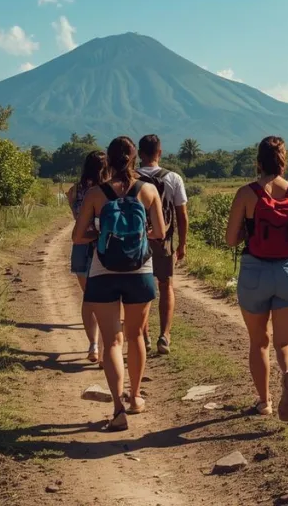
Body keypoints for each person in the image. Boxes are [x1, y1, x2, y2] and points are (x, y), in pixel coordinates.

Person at [73, 136, 167, 431]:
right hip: (140, 271)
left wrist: (100, 235)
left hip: (103, 272)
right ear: (134, 158)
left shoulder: (95, 194)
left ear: (109, 161)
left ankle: (117, 409)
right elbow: (159, 234)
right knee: (136, 336)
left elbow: (78, 236)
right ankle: (136, 398)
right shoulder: (149, 190)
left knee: (112, 340)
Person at [225, 136, 288, 422]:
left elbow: (230, 240)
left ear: (258, 162)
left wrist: (248, 233)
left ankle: (264, 402)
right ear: (284, 160)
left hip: (254, 272)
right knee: (286, 343)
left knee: (258, 342)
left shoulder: (246, 194)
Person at [136, 134, 189, 356]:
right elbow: (182, 215)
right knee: (166, 285)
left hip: (136, 242)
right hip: (164, 241)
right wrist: (182, 244)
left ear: (139, 154)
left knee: (139, 289)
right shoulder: (173, 178)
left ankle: (145, 336)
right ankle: (164, 335)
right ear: (160, 153)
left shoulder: (130, 178)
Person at [65, 151, 107, 363]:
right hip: (104, 246)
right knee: (107, 299)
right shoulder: (107, 189)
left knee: (89, 297)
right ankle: (105, 347)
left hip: (80, 245)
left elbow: (74, 213)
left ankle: (93, 344)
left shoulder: (76, 189)